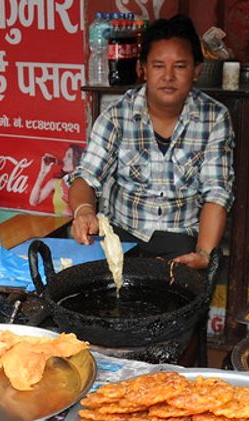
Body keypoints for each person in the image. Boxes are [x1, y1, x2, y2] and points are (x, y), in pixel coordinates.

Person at [67, 14, 234, 269]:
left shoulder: (215, 118)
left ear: (196, 70)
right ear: (142, 69)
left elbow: (217, 193)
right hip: (120, 237)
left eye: (179, 66)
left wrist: (203, 253)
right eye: (158, 66)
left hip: (181, 241)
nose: (168, 76)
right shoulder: (116, 116)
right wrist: (84, 213)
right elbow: (86, 177)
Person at [29, 144, 84, 216]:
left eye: (69, 156)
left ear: (77, 160)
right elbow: (33, 202)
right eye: (65, 155)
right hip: (59, 223)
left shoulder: (83, 183)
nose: (64, 159)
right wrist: (42, 173)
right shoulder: (56, 182)